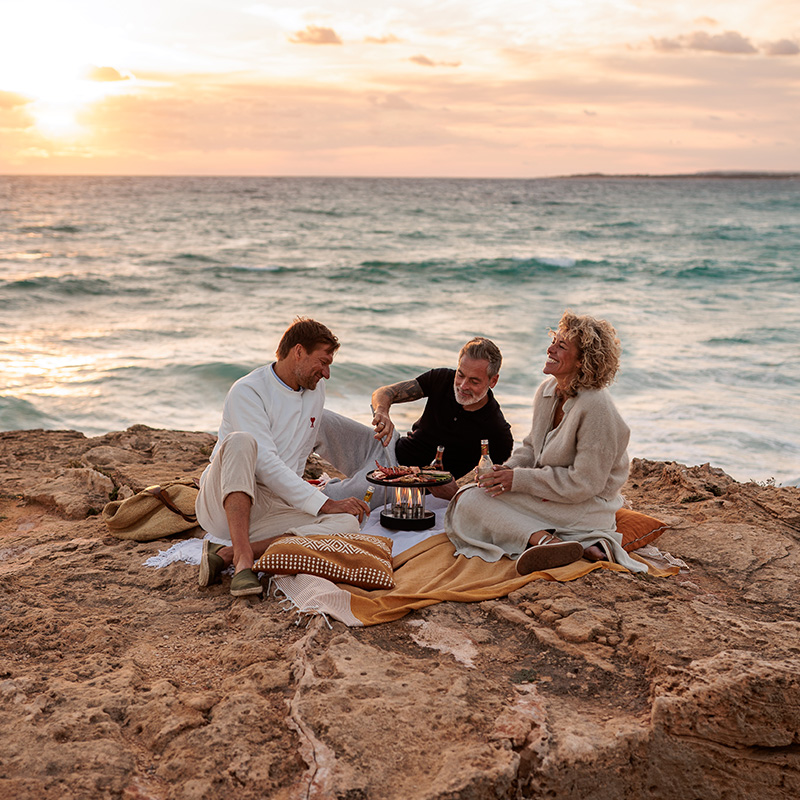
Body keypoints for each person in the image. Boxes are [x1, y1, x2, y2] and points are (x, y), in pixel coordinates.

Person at [444, 311, 647, 575]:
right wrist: (504, 472)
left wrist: (518, 480)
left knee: (467, 501)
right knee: (470, 497)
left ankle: (547, 541)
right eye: (554, 340)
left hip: (584, 507)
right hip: (549, 496)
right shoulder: (547, 390)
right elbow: (531, 449)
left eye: (561, 346)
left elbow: (584, 484)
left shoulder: (597, 407)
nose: (550, 348)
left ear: (583, 360)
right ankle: (568, 545)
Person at [196, 318, 371, 597]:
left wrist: (310, 497)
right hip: (225, 502)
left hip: (271, 506)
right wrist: (323, 504)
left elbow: (298, 455)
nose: (326, 373)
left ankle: (228, 553)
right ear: (298, 352)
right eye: (322, 362)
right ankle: (243, 563)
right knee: (242, 441)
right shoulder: (248, 391)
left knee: (348, 523)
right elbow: (265, 463)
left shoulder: (315, 390)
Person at [315, 337, 514, 505]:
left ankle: (309, 490)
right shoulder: (443, 378)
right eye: (460, 374)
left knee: (331, 499)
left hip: (405, 484)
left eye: (474, 381)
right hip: (386, 446)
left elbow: (495, 489)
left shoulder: (497, 431)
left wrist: (455, 494)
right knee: (317, 419)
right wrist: (383, 412)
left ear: (493, 381)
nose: (462, 385)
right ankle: (288, 472)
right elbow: (385, 392)